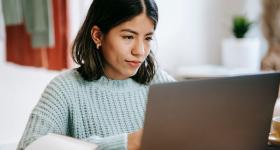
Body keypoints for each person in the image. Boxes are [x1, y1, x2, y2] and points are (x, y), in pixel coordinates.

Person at [17, 0, 175, 150]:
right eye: (128, 37)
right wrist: (126, 143)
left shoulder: (159, 81)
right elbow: (29, 146)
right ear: (98, 36)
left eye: (148, 38)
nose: (140, 51)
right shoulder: (65, 88)